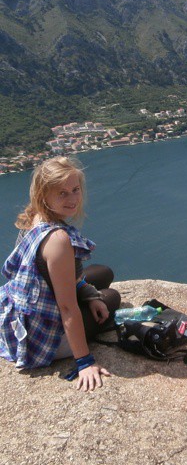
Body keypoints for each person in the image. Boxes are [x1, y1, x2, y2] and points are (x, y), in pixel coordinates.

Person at [0, 156, 120, 391]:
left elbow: (49, 277)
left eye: (75, 189)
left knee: (103, 273)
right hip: (43, 337)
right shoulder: (58, 240)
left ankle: (92, 295)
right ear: (44, 195)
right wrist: (84, 362)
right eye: (62, 193)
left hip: (23, 314)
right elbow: (66, 307)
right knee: (112, 296)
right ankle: (74, 346)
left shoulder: (36, 215)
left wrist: (89, 295)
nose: (73, 199)